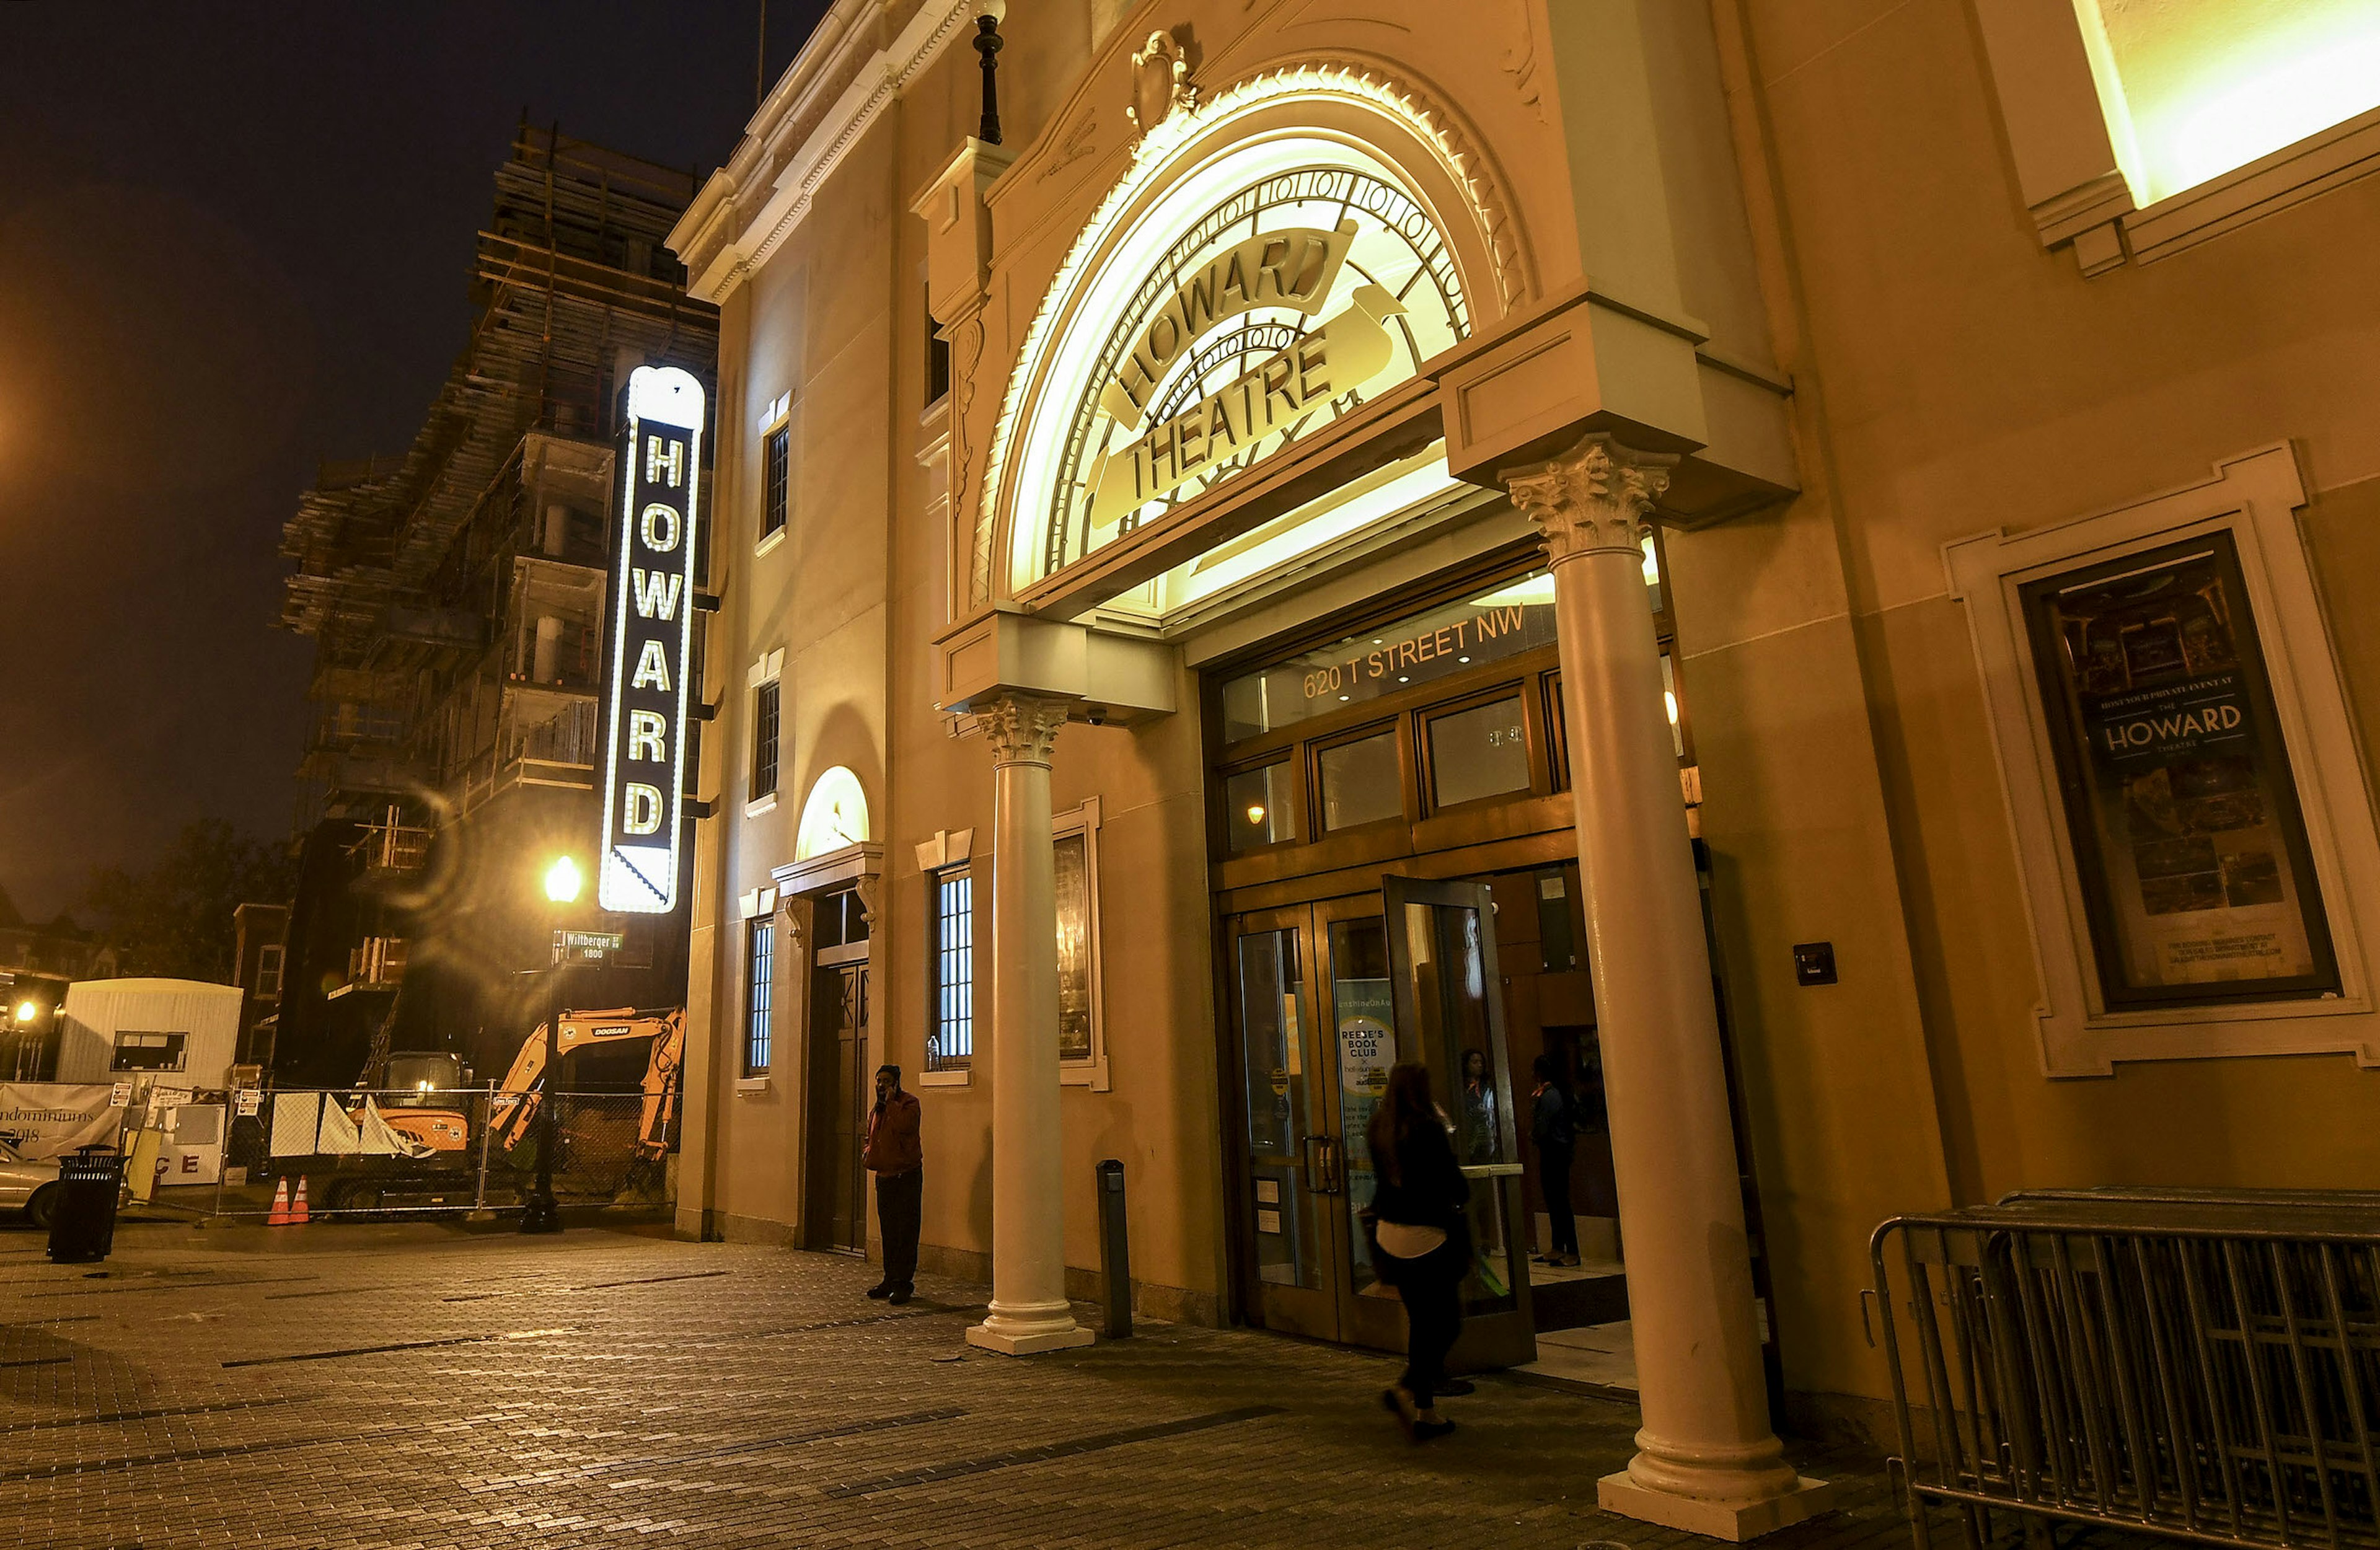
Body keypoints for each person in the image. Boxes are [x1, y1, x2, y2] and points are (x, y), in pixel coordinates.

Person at [1367, 1060, 1468, 1443]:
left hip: (1390, 1235)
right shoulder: (1427, 1128)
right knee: (1446, 1323)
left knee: (1421, 1321)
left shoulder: (1379, 1126)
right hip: (1428, 1237)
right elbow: (1452, 1183)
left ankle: (1426, 1412)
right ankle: (1408, 1387)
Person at [863, 1063, 922, 1305]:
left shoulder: (909, 1104)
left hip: (906, 1176)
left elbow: (906, 1127)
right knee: (888, 1231)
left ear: (896, 1083)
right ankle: (889, 1278)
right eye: (879, 1081)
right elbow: (872, 1134)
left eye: (886, 1081)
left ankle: (903, 1284)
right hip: (885, 1176)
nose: (881, 1085)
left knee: (905, 1231)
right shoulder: (877, 1109)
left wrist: (891, 1103)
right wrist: (867, 1151)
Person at [1530, 1054, 1579, 1268]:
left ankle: (1572, 1251)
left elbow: (1542, 1126)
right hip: (1557, 1151)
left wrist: (1534, 1135)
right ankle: (1559, 1246)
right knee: (1555, 1200)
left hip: (1554, 1152)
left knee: (1559, 1201)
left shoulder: (1550, 1096)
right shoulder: (1556, 1093)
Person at [1458, 1048, 1497, 1165]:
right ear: (1466, 1065)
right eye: (1475, 1062)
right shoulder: (1459, 1089)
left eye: (1481, 1062)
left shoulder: (1487, 1089)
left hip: (1486, 1137)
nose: (1479, 1065)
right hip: (1467, 1138)